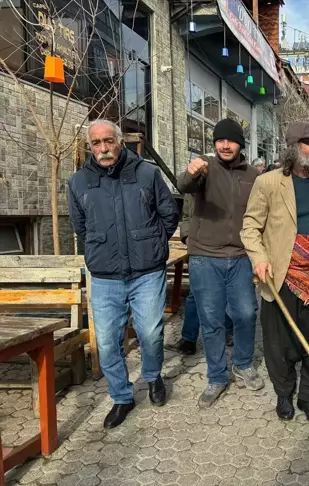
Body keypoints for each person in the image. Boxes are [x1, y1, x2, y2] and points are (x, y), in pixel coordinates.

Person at [68, 119, 179, 429]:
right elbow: (80, 226)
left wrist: (153, 243)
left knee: (150, 333)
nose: (103, 148)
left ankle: (153, 377)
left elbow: (169, 214)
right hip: (104, 276)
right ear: (89, 147)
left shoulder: (146, 173)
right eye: (96, 143)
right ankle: (121, 396)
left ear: (119, 141)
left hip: (146, 271)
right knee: (105, 342)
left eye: (108, 141)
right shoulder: (78, 182)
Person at [241, 122, 309, 428]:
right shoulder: (269, 182)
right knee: (279, 343)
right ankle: (283, 393)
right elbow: (250, 227)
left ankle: (308, 397)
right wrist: (258, 258)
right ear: (294, 149)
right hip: (280, 275)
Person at [177, 118, 263, 409]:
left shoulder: (253, 175)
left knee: (247, 313)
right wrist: (190, 172)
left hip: (240, 256)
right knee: (211, 320)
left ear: (241, 144)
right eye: (220, 140)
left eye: (231, 140)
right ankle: (216, 376)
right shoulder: (204, 167)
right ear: (214, 143)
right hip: (205, 257)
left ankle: (243, 364)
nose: (225, 145)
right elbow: (183, 185)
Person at [165, 195, 233, 355]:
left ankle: (226, 331)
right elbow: (187, 217)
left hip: (222, 249)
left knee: (218, 293)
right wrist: (187, 237)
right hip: (198, 249)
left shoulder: (225, 178)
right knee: (195, 295)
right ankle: (189, 340)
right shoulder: (192, 185)